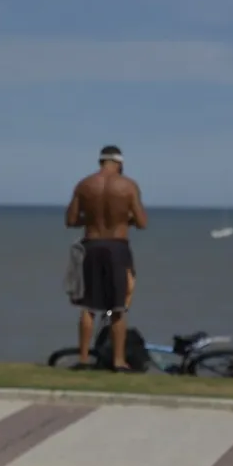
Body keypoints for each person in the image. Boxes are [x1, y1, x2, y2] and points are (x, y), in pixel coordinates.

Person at [65, 145, 147, 371]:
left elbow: (71, 220)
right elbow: (142, 223)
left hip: (91, 245)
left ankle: (82, 359)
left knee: (88, 306)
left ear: (100, 161)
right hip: (117, 247)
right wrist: (123, 220)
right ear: (119, 163)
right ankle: (119, 361)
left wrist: (92, 220)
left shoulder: (84, 185)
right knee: (117, 307)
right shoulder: (128, 186)